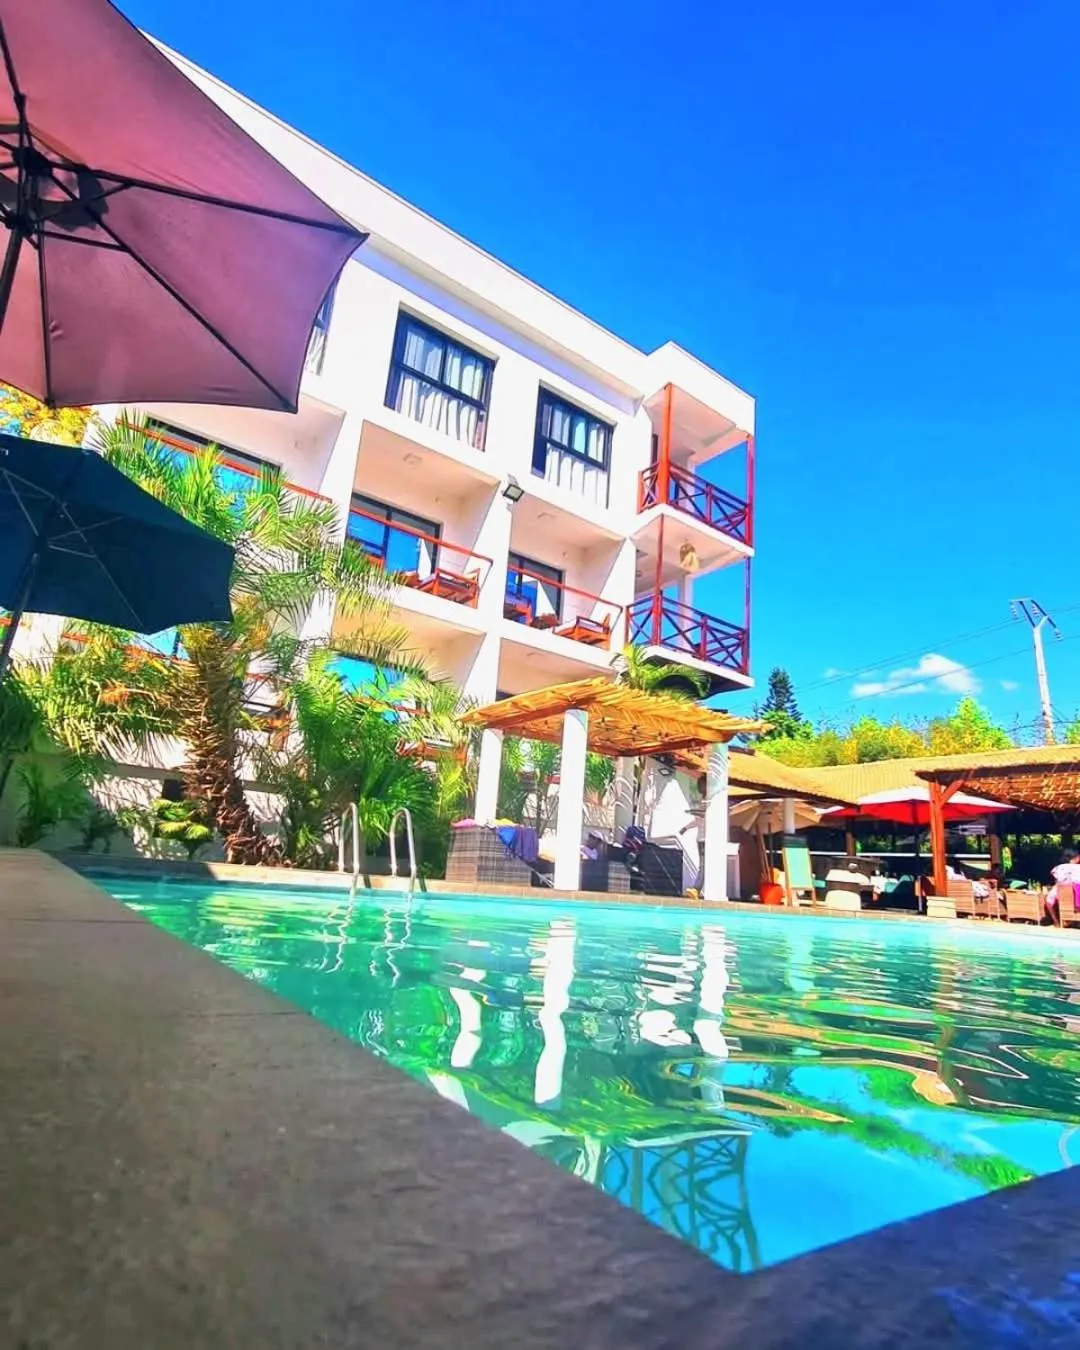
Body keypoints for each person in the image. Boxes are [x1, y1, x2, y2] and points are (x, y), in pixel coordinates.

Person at [1045, 849, 1080, 924]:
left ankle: (1056, 922)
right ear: (1077, 858)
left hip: (1062, 893)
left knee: (1049, 900)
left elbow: (1055, 876)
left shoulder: (1058, 868)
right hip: (1077, 893)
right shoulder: (1078, 867)